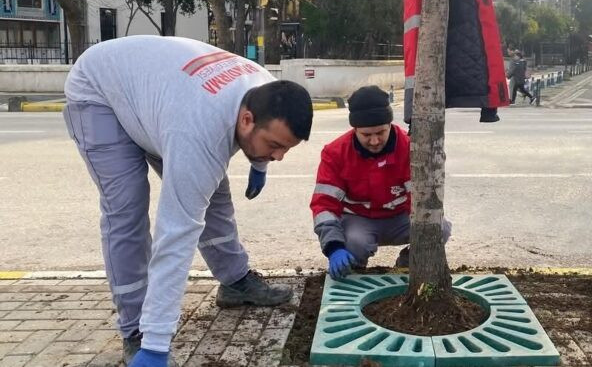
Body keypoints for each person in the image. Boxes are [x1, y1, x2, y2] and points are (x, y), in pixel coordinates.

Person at [63, 36, 313, 367]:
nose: (279, 156)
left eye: (286, 149)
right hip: (100, 91)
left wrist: (260, 162)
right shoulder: (198, 130)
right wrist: (156, 343)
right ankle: (137, 329)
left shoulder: (267, 88)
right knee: (127, 211)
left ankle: (235, 282)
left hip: (157, 96)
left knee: (215, 194)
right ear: (247, 120)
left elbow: (263, 135)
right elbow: (176, 235)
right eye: (273, 146)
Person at [310, 86, 452, 279]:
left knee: (439, 229)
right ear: (355, 129)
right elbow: (324, 205)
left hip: (400, 218)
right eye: (367, 135)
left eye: (381, 132)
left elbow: (420, 199)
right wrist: (334, 246)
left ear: (389, 125)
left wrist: (424, 236)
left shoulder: (410, 148)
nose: (375, 141)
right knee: (354, 244)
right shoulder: (335, 153)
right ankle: (353, 271)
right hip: (359, 220)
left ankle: (408, 264)